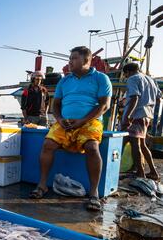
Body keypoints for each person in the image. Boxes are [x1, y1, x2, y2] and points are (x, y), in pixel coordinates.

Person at [30, 46, 113, 212]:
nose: (69, 62)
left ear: (86, 60)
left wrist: (82, 121)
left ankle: (93, 192)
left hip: (90, 123)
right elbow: (56, 105)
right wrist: (59, 120)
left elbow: (104, 105)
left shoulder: (101, 78)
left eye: (74, 58)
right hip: (65, 123)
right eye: (70, 58)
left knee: (92, 147)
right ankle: (43, 184)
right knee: (48, 145)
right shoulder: (64, 81)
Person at [120, 63, 161, 181]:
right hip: (147, 116)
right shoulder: (151, 79)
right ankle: (153, 172)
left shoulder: (133, 78)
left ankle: (140, 173)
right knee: (142, 144)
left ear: (128, 72)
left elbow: (134, 97)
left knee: (135, 144)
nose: (126, 76)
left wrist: (128, 115)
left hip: (136, 115)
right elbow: (159, 97)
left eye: (125, 74)